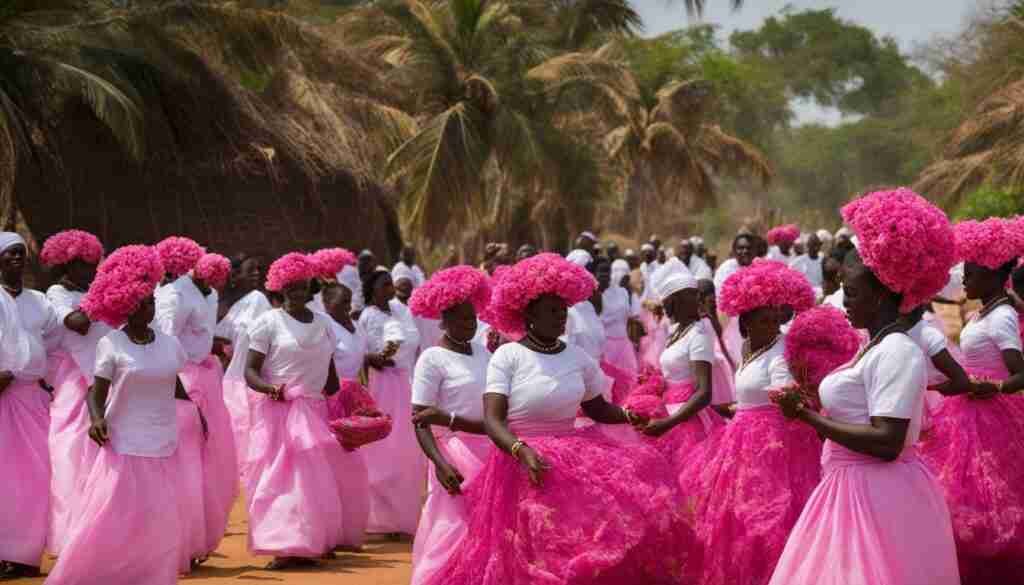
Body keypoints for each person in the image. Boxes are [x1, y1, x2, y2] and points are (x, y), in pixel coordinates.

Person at [422, 253, 700, 585]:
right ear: (529, 313)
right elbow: (494, 421)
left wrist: (629, 415)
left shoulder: (577, 358)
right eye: (552, 311)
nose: (561, 317)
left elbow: (597, 409)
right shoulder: (507, 357)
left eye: (563, 310)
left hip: (572, 464)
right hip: (521, 468)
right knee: (529, 556)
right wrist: (521, 451)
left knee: (586, 547)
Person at [769, 188, 960, 585]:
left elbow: (887, 441)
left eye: (853, 293)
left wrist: (805, 416)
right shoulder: (872, 346)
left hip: (875, 500)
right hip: (848, 491)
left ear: (882, 294)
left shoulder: (897, 351)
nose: (846, 301)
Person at [678, 266, 833, 585]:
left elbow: (783, 385)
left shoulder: (779, 351)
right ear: (746, 322)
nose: (774, 326)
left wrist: (791, 390)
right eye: (765, 320)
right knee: (737, 522)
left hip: (772, 448)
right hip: (741, 444)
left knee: (769, 520)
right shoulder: (748, 347)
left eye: (776, 318)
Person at [45, 245, 188, 585]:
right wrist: (97, 420)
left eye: (151, 301)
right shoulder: (111, 344)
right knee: (109, 513)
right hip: (122, 442)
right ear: (126, 305)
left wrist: (197, 413)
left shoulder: (171, 345)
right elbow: (97, 394)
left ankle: (150, 575)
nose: (148, 307)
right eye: (140, 302)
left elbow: (174, 382)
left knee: (157, 517)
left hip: (162, 442)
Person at [918, 217, 1024, 583]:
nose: (965, 280)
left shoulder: (1003, 317)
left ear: (996, 276)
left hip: (991, 417)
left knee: (990, 500)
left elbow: (1020, 373)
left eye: (972, 273)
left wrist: (993, 388)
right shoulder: (985, 311)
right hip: (967, 408)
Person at [243, 253, 346, 570]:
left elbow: (330, 371)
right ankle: (284, 544)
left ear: (310, 286)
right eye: (291, 287)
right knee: (282, 477)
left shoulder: (324, 323)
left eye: (303, 286)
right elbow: (250, 371)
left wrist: (343, 399)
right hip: (279, 410)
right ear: (279, 288)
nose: (298, 292)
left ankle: (309, 541)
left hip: (315, 409)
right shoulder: (267, 323)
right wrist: (269, 389)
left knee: (312, 479)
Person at [406, 267, 493, 585]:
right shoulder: (432, 359)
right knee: (453, 526)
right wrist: (440, 464)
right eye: (462, 319)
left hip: (488, 450)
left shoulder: (485, 354)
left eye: (473, 318)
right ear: (444, 320)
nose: (470, 324)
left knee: (486, 528)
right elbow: (419, 420)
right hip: (453, 454)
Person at [38, 230, 109, 557]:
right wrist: (106, 292)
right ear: (68, 264)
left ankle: (97, 532)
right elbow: (78, 322)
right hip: (71, 383)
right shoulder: (56, 292)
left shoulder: (91, 291)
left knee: (98, 459)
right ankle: (69, 536)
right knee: (69, 455)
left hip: (101, 380)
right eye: (85, 264)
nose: (92, 270)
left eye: (94, 264)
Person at [153, 236, 214, 570]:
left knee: (194, 466)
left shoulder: (189, 292)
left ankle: (189, 540)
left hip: (191, 380)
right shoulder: (172, 295)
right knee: (181, 464)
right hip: (177, 383)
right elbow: (166, 342)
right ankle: (174, 543)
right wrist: (184, 395)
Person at [0, 232, 55, 579]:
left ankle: (25, 554)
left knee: (35, 478)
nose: (18, 259)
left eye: (22, 253)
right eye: (11, 254)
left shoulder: (40, 301)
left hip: (31, 399)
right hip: (0, 395)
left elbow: (57, 344)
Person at [358, 269, 424, 537]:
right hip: (382, 386)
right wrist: (379, 357)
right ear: (373, 289)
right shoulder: (368, 316)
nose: (390, 289)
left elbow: (413, 342)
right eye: (385, 285)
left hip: (404, 384)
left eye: (391, 284)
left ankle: (401, 515)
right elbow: (363, 352)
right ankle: (380, 518)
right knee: (382, 450)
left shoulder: (399, 311)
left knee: (404, 451)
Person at [640, 258, 724, 465]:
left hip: (687, 422)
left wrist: (668, 423)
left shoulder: (699, 335)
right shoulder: (676, 332)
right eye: (692, 295)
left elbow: (704, 393)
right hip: (671, 412)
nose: (698, 299)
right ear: (675, 301)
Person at [188, 252, 238, 558]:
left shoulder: (211, 295)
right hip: (185, 380)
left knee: (212, 457)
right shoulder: (173, 295)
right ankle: (188, 536)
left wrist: (216, 347)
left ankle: (202, 535)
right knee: (190, 458)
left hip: (209, 377)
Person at [321, 282, 372, 551]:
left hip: (353, 397)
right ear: (326, 303)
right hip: (330, 398)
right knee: (332, 462)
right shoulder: (326, 327)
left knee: (352, 462)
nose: (346, 307)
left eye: (348, 301)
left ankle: (348, 527)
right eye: (340, 303)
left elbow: (361, 364)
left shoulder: (357, 327)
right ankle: (330, 528)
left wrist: (363, 397)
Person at [216, 254, 271, 477]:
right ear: (235, 276)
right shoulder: (227, 306)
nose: (257, 274)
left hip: (255, 380)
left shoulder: (259, 300)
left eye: (258, 269)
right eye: (251, 270)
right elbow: (220, 341)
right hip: (232, 381)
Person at [602, 258, 641, 383]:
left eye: (623, 271)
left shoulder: (625, 293)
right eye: (616, 271)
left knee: (628, 379)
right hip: (606, 344)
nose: (620, 274)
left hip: (624, 343)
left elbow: (634, 314)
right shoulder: (601, 295)